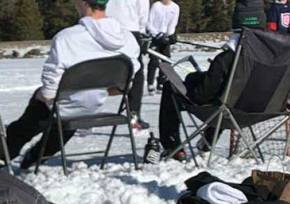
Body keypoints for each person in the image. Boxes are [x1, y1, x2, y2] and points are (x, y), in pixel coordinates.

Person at [3, 0, 140, 170]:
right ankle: (37, 155)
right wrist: (98, 89)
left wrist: (43, 94)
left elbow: (48, 93)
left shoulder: (67, 38)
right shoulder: (127, 39)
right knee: (73, 107)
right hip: (92, 106)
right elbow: (125, 85)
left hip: (63, 106)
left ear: (82, 3)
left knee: (34, 116)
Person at [158, 0, 266, 160]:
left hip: (228, 111)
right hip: (260, 111)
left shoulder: (227, 58)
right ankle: (208, 140)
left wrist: (193, 79)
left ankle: (173, 147)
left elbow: (202, 95)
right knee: (226, 95)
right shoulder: (273, 57)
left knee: (171, 89)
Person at [106, 0, 150, 129]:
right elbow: (143, 11)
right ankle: (134, 113)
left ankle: (81, 108)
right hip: (129, 28)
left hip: (103, 25)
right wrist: (142, 29)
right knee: (136, 72)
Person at [146, 0, 180, 94]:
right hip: (155, 37)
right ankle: (150, 83)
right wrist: (156, 34)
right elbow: (149, 22)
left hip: (165, 38)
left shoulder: (175, 7)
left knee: (166, 60)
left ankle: (161, 82)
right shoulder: (156, 6)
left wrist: (170, 35)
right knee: (154, 60)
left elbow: (173, 23)